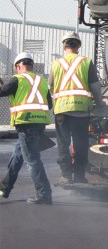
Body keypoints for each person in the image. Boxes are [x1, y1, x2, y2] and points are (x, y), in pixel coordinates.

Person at [49, 31, 105, 184]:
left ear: (64, 45)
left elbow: (51, 87)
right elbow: (95, 86)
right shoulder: (86, 62)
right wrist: (99, 103)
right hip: (80, 111)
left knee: (63, 143)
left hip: (61, 110)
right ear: (78, 45)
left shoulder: (56, 64)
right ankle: (79, 176)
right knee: (80, 144)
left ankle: (66, 175)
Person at [0, 52, 54, 204]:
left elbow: (2, 92)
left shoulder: (17, 79)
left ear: (18, 66)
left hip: (25, 123)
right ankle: (5, 187)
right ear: (31, 65)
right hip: (40, 124)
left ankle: (44, 194)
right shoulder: (41, 81)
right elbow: (49, 104)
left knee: (32, 160)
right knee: (18, 156)